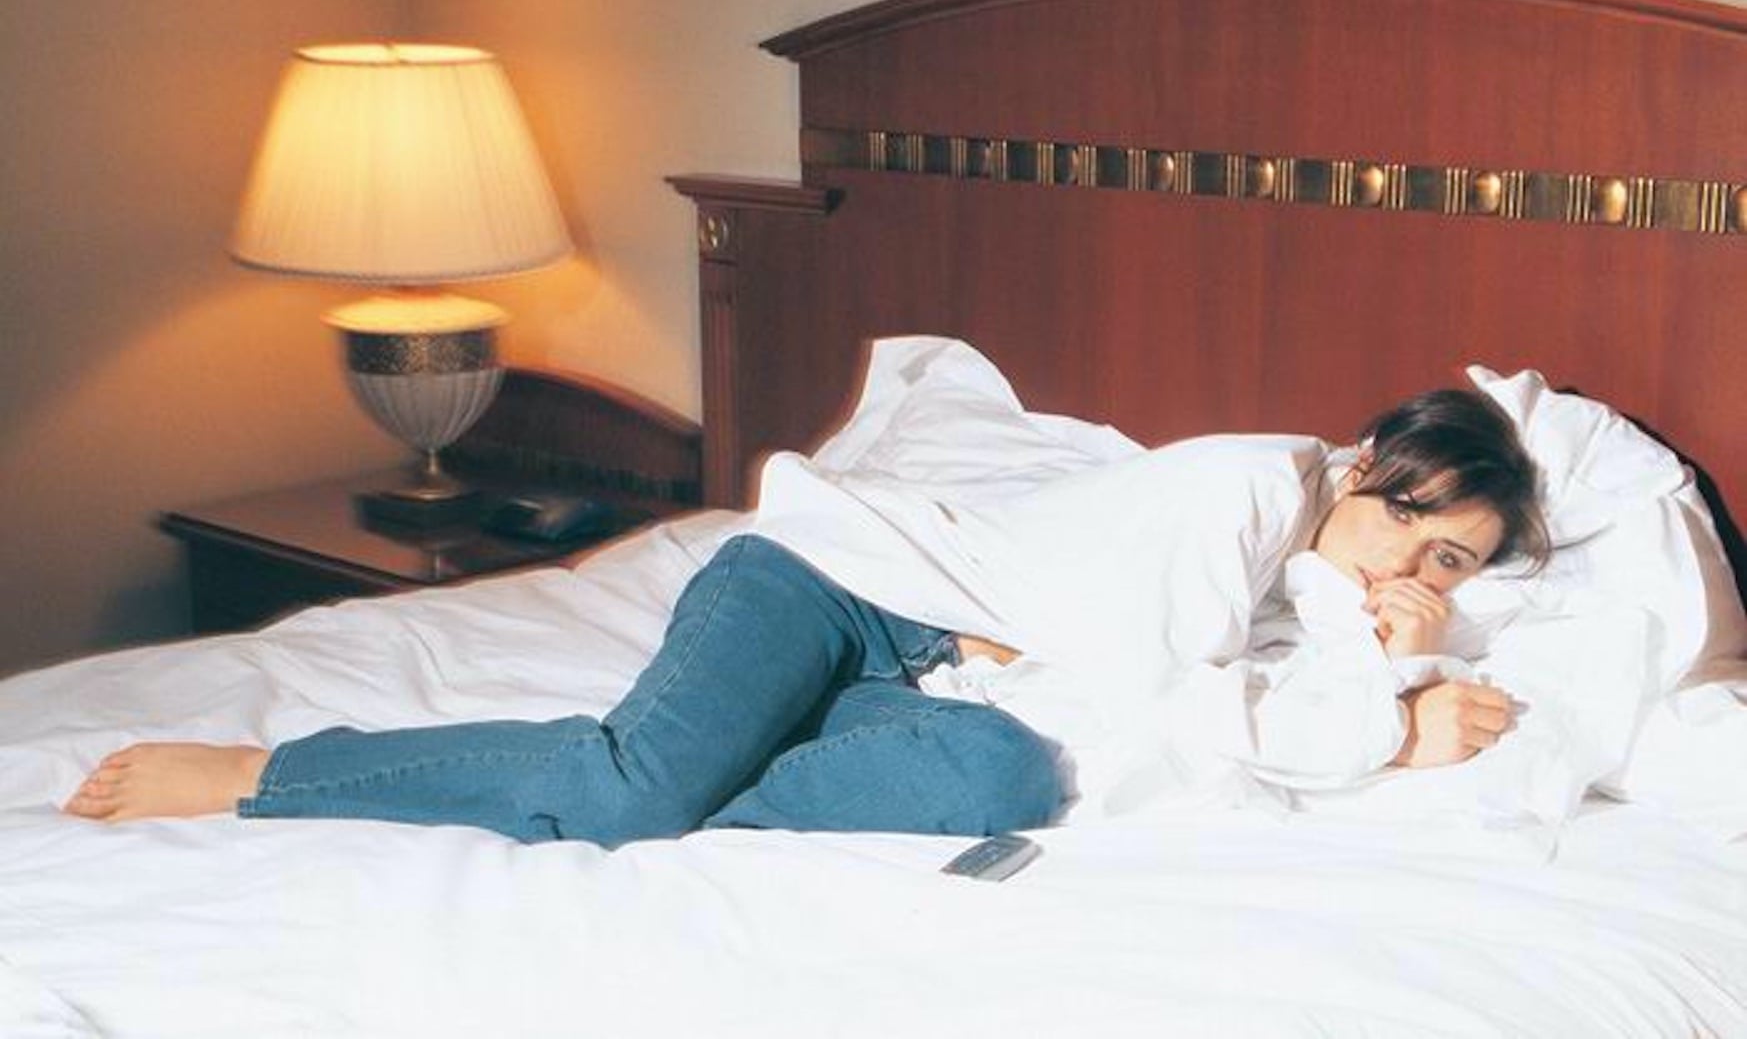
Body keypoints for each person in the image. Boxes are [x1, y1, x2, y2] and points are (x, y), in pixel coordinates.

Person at [64, 387, 1548, 844]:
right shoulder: (1241, 492)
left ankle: (700, 762)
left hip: (926, 670)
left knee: (1005, 779)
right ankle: (265, 771)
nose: (1416, 574)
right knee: (629, 795)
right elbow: (1179, 706)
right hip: (824, 587)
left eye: (1454, 565)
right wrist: (1395, 722)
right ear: (1363, 462)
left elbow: (1171, 719)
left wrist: (1384, 636)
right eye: (1409, 522)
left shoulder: (1316, 571)